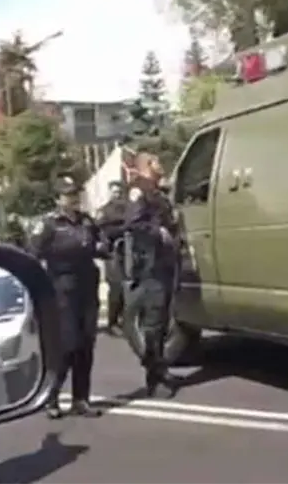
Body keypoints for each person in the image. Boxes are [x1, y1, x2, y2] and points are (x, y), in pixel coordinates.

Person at [29, 174, 105, 419]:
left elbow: (101, 244)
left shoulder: (87, 222)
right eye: (68, 195)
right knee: (67, 346)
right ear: (58, 199)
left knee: (86, 345)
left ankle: (81, 399)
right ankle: (51, 396)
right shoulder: (49, 224)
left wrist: (102, 248)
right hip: (62, 289)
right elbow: (33, 253)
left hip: (87, 288)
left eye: (75, 194)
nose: (73, 199)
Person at [123, 152, 179, 398]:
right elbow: (133, 224)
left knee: (164, 321)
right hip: (150, 266)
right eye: (155, 162)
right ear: (146, 166)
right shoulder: (139, 191)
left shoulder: (159, 193)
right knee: (153, 323)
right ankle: (155, 374)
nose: (161, 165)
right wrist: (158, 232)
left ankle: (158, 367)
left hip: (166, 264)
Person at [96, 181, 128, 334]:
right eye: (114, 192)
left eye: (119, 192)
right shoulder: (104, 211)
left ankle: (124, 320)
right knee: (116, 288)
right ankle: (112, 321)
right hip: (113, 253)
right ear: (109, 193)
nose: (117, 195)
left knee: (128, 288)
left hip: (129, 253)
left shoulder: (129, 208)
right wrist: (123, 228)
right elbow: (103, 230)